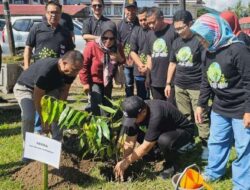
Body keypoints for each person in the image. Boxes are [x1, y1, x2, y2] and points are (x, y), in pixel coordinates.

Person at [191, 13, 250, 190]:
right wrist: (201, 104)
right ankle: (214, 171)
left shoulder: (238, 49)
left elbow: (249, 81)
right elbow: (205, 80)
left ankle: (242, 184)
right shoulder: (208, 51)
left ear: (215, 32)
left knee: (244, 148)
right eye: (199, 36)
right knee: (216, 141)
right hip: (220, 107)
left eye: (203, 36)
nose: (200, 40)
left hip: (241, 108)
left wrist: (249, 110)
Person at [14, 50, 83, 162]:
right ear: (64, 63)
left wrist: (59, 110)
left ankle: (57, 148)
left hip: (48, 90)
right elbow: (38, 97)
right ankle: (27, 152)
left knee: (58, 114)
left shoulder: (70, 71)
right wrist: (43, 120)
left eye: (79, 70)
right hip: (25, 88)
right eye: (75, 70)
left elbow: (64, 91)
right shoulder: (48, 70)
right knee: (28, 117)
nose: (76, 74)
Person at [114, 96, 195, 181]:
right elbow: (130, 140)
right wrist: (124, 161)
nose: (132, 121)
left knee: (164, 140)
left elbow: (146, 146)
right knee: (142, 133)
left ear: (144, 112)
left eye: (133, 119)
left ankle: (171, 165)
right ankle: (155, 154)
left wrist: (126, 162)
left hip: (182, 131)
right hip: (163, 129)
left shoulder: (156, 114)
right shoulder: (133, 112)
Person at [165, 10, 210, 160]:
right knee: (185, 117)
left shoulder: (199, 41)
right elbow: (172, 63)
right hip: (180, 85)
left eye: (181, 28)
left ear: (190, 24)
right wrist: (168, 83)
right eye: (175, 29)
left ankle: (206, 145)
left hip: (196, 85)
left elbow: (206, 65)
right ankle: (189, 141)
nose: (178, 32)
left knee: (201, 117)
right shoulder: (176, 42)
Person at [79, 22, 125, 116]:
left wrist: (117, 57)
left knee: (107, 104)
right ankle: (96, 124)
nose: (108, 41)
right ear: (101, 36)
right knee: (96, 104)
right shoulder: (92, 46)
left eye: (111, 38)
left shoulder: (117, 45)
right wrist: (85, 83)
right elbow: (83, 65)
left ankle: (106, 125)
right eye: (105, 38)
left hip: (108, 81)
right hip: (95, 80)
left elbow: (123, 60)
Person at [23, 0, 75, 70]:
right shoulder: (37, 28)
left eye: (57, 12)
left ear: (60, 14)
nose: (54, 15)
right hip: (39, 69)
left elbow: (70, 52)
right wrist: (26, 66)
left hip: (58, 71)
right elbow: (28, 48)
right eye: (51, 12)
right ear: (46, 13)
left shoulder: (65, 32)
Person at [144, 7, 178, 101]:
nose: (151, 26)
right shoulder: (149, 35)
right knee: (159, 109)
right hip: (155, 81)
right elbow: (149, 56)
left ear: (162, 18)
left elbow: (176, 59)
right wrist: (148, 76)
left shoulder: (173, 32)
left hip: (172, 81)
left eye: (153, 22)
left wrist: (169, 82)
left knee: (171, 109)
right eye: (149, 23)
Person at [117, 0, 139, 97]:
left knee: (140, 84)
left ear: (136, 10)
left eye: (133, 9)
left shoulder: (140, 23)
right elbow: (117, 43)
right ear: (125, 10)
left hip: (139, 60)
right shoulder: (120, 25)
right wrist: (120, 60)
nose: (130, 11)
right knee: (129, 83)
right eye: (128, 9)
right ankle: (129, 103)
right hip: (125, 61)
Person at [130, 7, 150, 100]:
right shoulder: (136, 31)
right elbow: (133, 51)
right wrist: (142, 66)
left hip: (154, 71)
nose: (143, 22)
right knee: (142, 98)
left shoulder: (155, 30)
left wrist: (148, 67)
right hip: (140, 72)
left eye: (145, 19)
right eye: (140, 20)